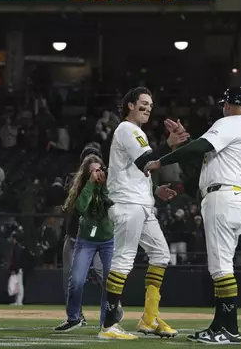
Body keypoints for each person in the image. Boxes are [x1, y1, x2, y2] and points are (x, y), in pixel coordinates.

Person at [143, 86, 241, 345]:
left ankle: (229, 330)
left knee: (221, 267)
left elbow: (201, 147)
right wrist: (186, 139)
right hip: (233, 197)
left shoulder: (232, 122)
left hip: (224, 197)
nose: (222, 107)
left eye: (224, 103)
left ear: (229, 104)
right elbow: (202, 152)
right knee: (222, 264)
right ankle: (221, 325)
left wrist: (162, 161)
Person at [98, 87, 188, 340]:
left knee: (160, 254)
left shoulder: (136, 132)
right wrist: (169, 144)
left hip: (141, 202)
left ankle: (149, 319)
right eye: (144, 103)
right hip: (128, 203)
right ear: (130, 105)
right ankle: (108, 326)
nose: (148, 107)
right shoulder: (127, 129)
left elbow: (142, 167)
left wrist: (154, 189)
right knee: (124, 259)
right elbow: (145, 161)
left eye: (151, 104)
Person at [60, 143, 123, 327]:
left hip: (106, 239)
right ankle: (74, 317)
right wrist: (90, 184)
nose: (96, 172)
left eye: (99, 168)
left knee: (108, 281)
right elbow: (80, 207)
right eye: (92, 170)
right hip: (83, 239)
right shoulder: (79, 183)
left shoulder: (111, 183)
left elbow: (112, 205)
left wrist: (104, 185)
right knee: (75, 281)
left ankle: (108, 319)